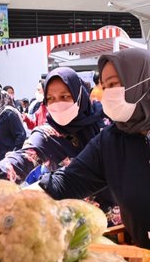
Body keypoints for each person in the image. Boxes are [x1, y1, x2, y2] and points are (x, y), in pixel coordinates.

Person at [37, 48, 150, 248]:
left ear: (142, 80)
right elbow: (68, 182)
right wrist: (13, 198)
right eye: (105, 86)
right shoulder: (111, 141)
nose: (108, 93)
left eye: (114, 84)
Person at [0, 67, 106, 189]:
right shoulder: (48, 135)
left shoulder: (105, 123)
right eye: (50, 98)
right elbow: (21, 158)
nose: (58, 103)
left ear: (79, 95)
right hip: (71, 210)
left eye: (64, 96)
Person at [0, 86, 27, 162]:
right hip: (0, 158)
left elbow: (21, 135)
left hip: (8, 160)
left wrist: (14, 153)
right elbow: (3, 133)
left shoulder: (9, 114)